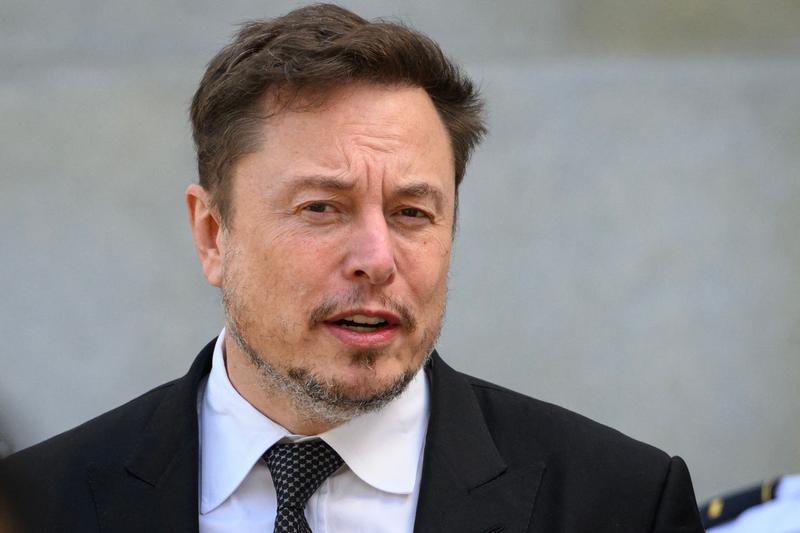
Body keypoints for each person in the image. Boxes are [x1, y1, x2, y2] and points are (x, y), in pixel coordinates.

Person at [0, 4, 704, 532]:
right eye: (322, 208)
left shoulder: (620, 503)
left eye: (411, 213)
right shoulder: (41, 503)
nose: (376, 260)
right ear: (212, 234)